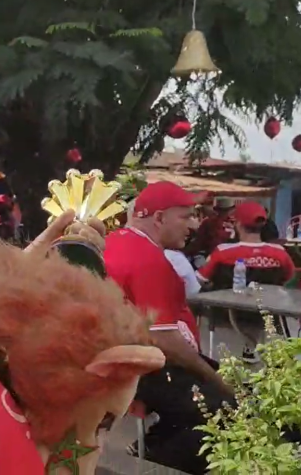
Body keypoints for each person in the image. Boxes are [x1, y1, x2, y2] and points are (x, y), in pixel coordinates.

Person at [104, 181, 233, 474]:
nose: (195, 224)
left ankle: (152, 448)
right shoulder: (147, 259)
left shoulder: (118, 240)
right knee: (229, 409)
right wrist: (214, 377)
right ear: (159, 218)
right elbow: (165, 341)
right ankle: (157, 461)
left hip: (131, 360)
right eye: (185, 216)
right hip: (144, 366)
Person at [197, 201, 294, 362]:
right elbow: (288, 280)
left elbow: (200, 279)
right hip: (266, 321)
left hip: (226, 320)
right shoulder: (280, 253)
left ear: (238, 224)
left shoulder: (223, 251)